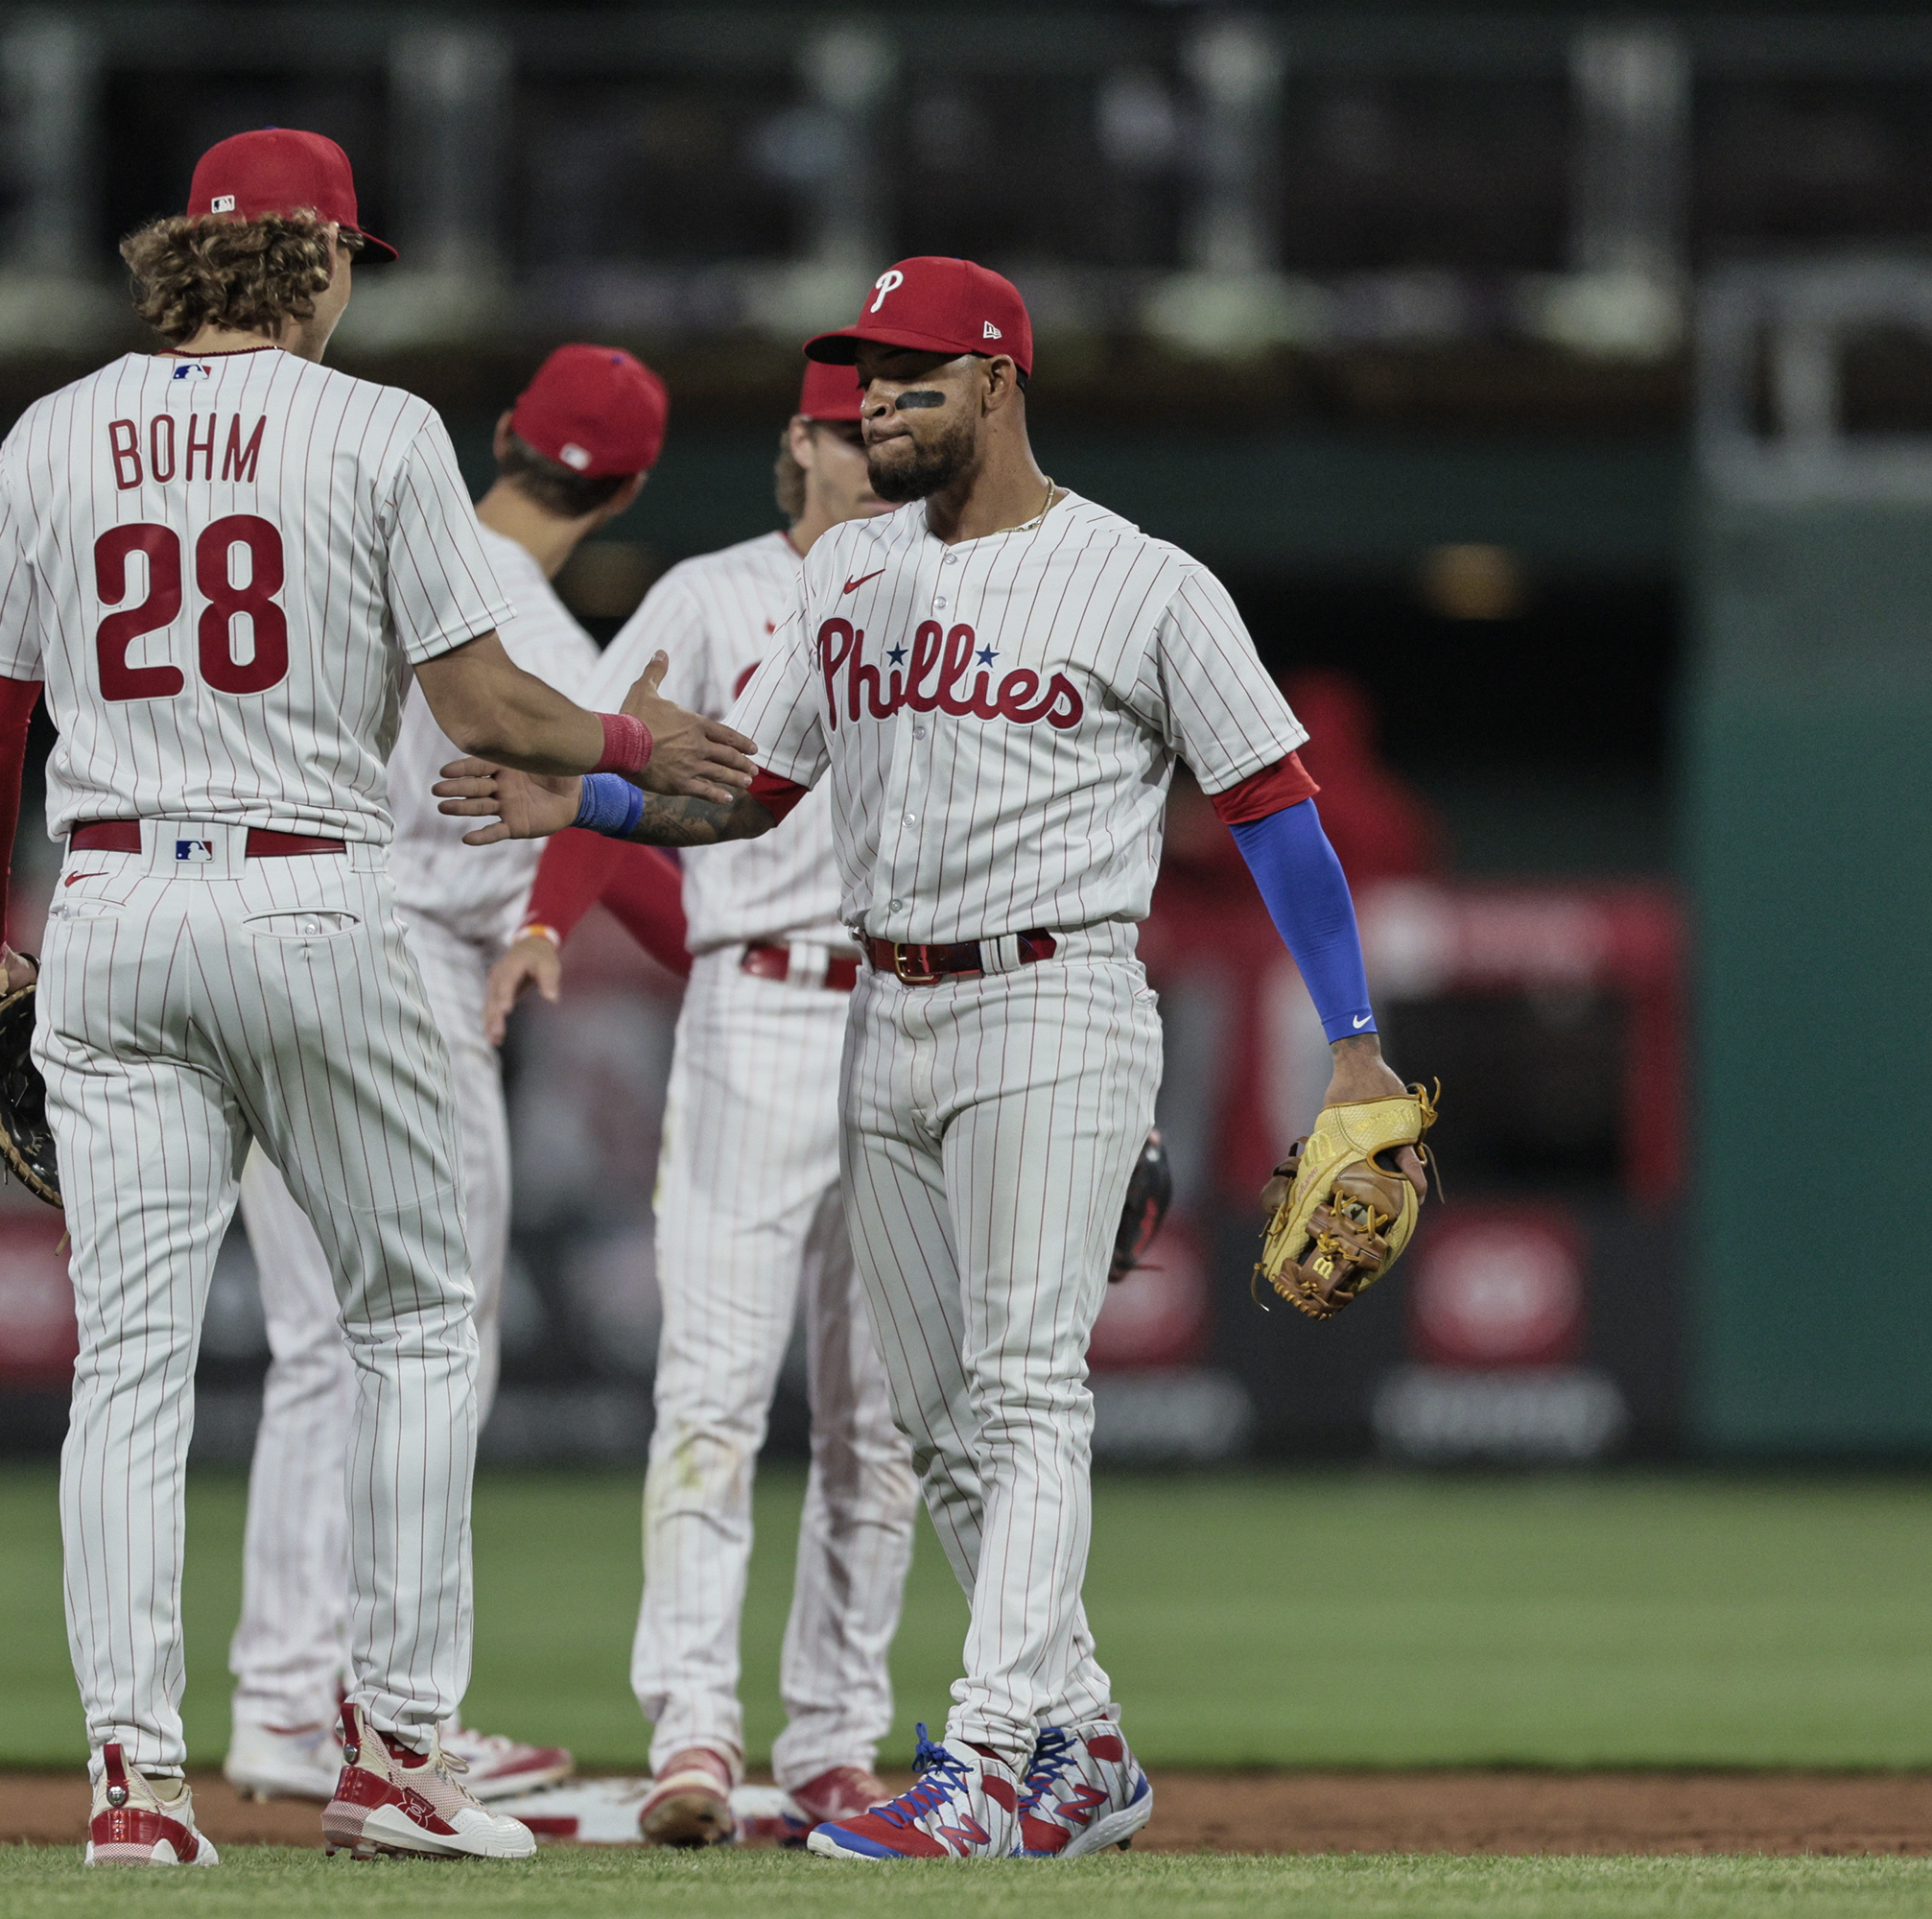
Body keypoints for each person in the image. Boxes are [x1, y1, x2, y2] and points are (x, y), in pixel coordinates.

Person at [436, 255, 1426, 1863]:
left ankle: (980, 1766)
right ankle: (1085, 1747)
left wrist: (1357, 1045)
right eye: (865, 375)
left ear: (998, 382)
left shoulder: (1142, 580)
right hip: (878, 1017)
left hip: (1055, 1005)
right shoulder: (852, 580)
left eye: (911, 375)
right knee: (941, 1414)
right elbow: (754, 791)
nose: (879, 401)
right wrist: (590, 805)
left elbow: (1275, 807)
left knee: (1026, 1388)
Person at [0, 127, 756, 1868]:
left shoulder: (53, 430)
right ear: (313, 264)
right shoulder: (379, 432)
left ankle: (134, 1789)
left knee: (131, 1371)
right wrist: (628, 744)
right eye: (349, 258)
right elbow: (486, 712)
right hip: (312, 894)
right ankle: (390, 1755)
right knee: (414, 1323)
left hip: (113, 904)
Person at [222, 343, 687, 1809]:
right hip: (414, 977)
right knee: (426, 1352)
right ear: (621, 489)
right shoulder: (543, 639)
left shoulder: (351, 563)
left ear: (503, 437)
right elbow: (609, 843)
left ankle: (287, 1696)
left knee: (318, 1349)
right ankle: (357, 1703)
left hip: (273, 938)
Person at [476, 360, 917, 1844]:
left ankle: (841, 1736)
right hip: (755, 1010)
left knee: (882, 1419)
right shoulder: (712, 595)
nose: (878, 450)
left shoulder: (948, 592)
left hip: (913, 1011)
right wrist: (546, 919)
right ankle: (694, 1734)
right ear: (799, 444)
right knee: (711, 1395)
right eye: (855, 429)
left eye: (895, 427)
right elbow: (597, 764)